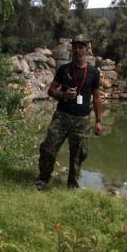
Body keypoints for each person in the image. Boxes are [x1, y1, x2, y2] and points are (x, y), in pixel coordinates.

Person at [36, 35, 102, 190]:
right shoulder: (64, 69)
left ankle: (73, 185)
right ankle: (43, 179)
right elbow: (51, 90)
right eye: (75, 47)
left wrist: (98, 121)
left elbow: (97, 98)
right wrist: (63, 95)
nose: (77, 50)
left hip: (82, 120)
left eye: (81, 47)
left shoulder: (93, 72)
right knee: (48, 148)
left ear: (87, 49)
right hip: (62, 116)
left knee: (78, 155)